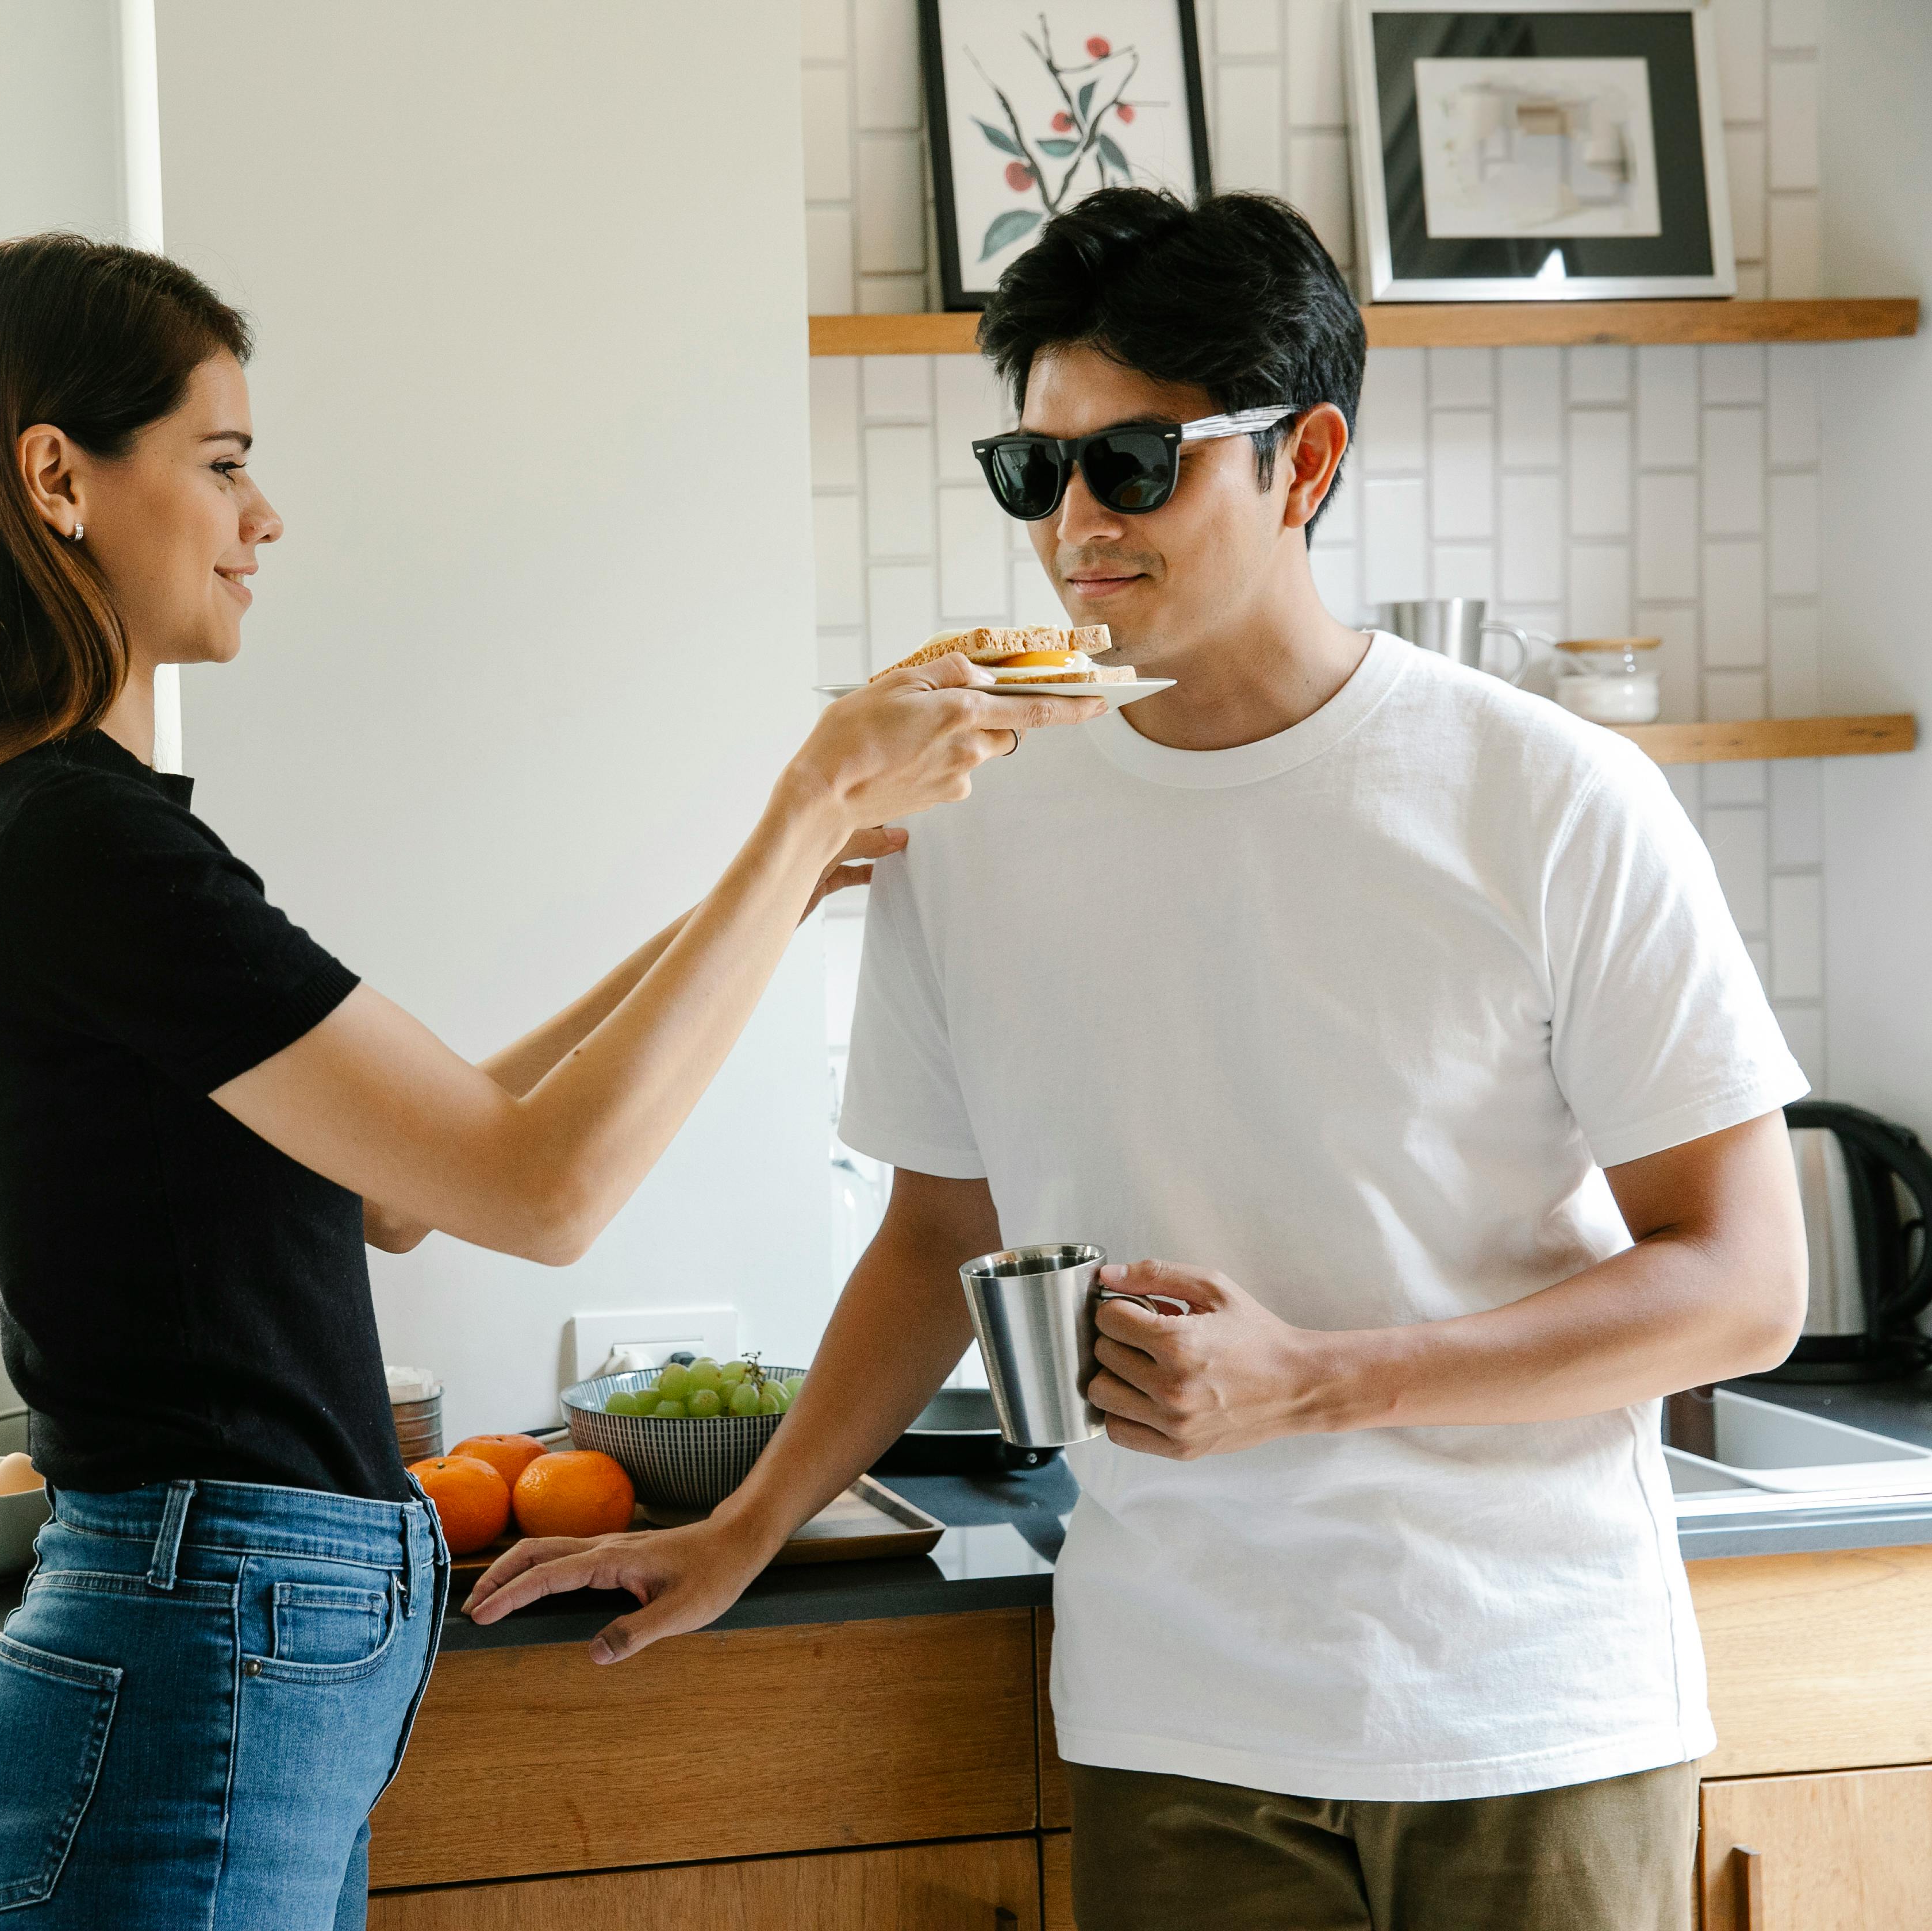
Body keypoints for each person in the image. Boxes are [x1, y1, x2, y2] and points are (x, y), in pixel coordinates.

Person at [466, 190, 1810, 1931]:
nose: (1077, 523)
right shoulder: (972, 814)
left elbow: (1744, 1282)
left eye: (1137, 463)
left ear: (1304, 460)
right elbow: (941, 1235)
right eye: (1037, 474)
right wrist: (754, 1523)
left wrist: (1318, 1379)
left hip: (1525, 1707)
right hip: (1172, 1719)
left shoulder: (1549, 796)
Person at [0, 233, 1095, 1930]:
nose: (263, 516)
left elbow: (398, 1187)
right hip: (204, 1634)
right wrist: (805, 796)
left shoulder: (54, 832)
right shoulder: (80, 842)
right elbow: (541, 1192)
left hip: (231, 1639)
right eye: (222, 464)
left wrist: (759, 897)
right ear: (58, 478)